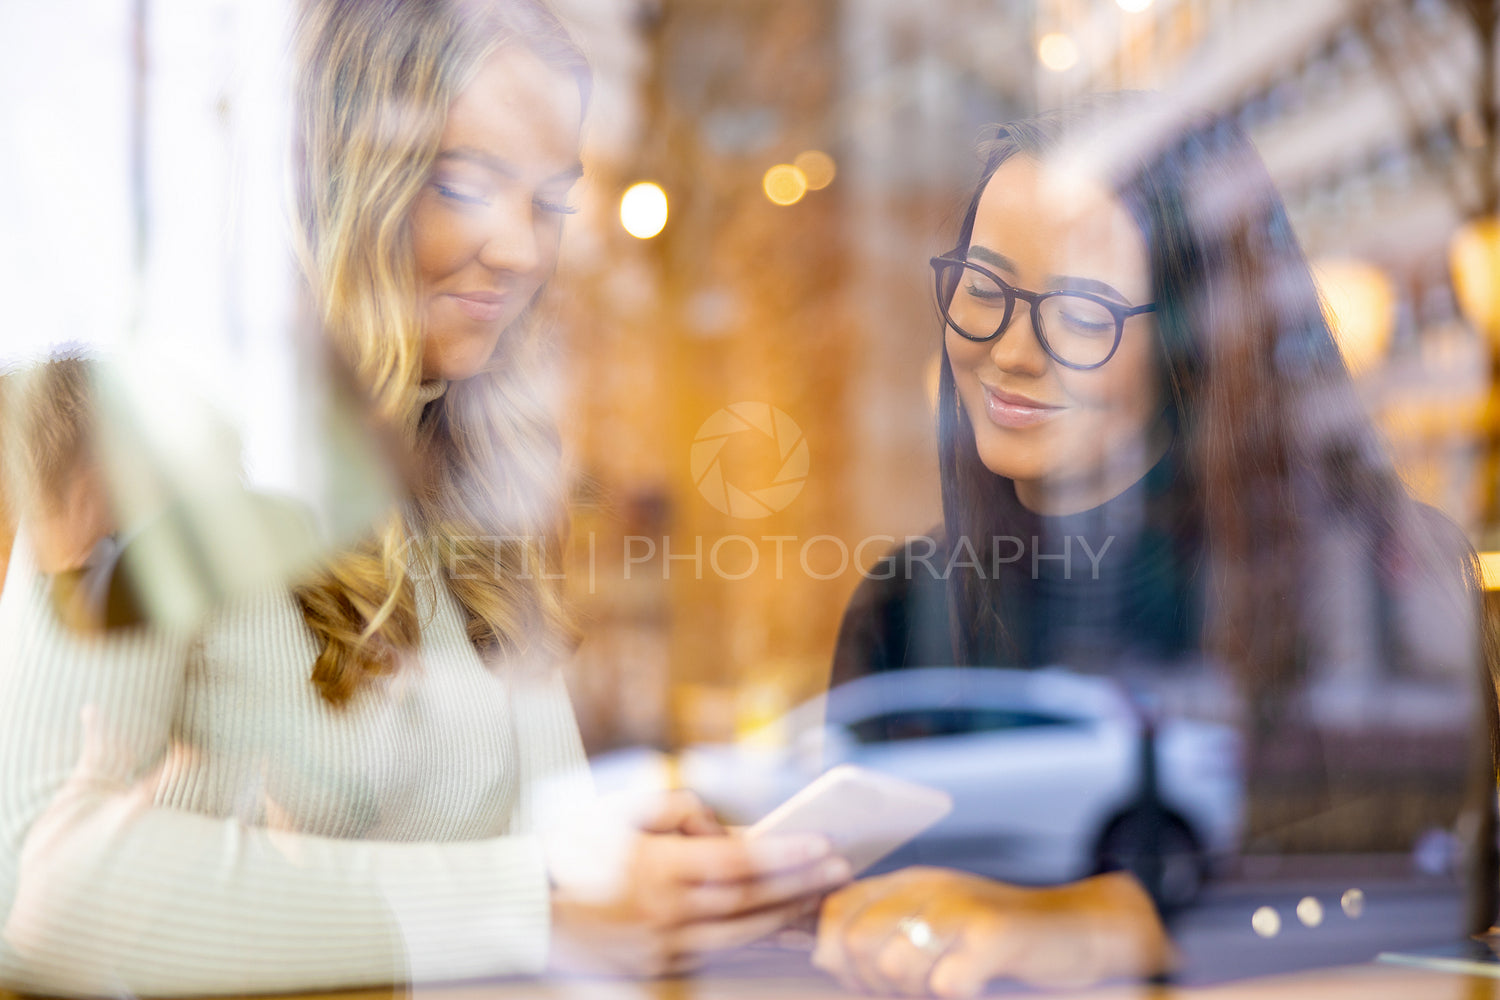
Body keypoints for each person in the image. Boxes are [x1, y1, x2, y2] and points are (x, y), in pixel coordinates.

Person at [0, 1, 848, 995]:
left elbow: (528, 846)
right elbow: (35, 882)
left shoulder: (474, 478)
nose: (523, 250)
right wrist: (538, 901)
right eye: (464, 183)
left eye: (549, 200)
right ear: (336, 174)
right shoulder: (148, 434)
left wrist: (628, 855)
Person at [815, 98, 1494, 996]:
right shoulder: (907, 607)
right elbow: (855, 914)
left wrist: (1134, 929)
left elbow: (1433, 902)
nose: (1013, 351)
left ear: (1197, 340)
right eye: (983, 292)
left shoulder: (1377, 583)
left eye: (1083, 312)